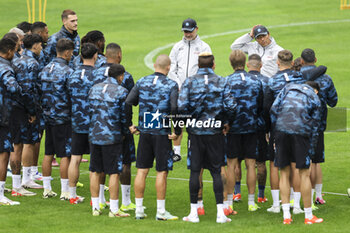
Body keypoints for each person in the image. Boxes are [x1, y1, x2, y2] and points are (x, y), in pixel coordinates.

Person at [178, 52, 236, 223]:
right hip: (215, 132)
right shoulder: (222, 81)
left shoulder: (189, 82)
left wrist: (191, 121)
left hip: (196, 134)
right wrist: (226, 122)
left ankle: (194, 213)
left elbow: (181, 107)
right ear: (214, 65)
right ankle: (220, 214)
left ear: (198, 64)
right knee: (217, 171)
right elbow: (231, 106)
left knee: (195, 172)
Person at [126, 54, 180, 221]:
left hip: (145, 133)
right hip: (161, 134)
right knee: (161, 172)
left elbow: (128, 102)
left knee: (142, 171)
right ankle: (161, 211)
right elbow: (174, 108)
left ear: (155, 65)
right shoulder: (171, 84)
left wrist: (130, 124)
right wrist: (176, 130)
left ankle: (139, 210)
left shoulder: (142, 81)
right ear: (168, 67)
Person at [169, 17, 212, 214]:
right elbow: (172, 68)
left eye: (190, 31)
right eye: (185, 31)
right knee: (177, 119)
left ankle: (191, 145)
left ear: (196, 29)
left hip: (196, 90)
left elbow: (207, 68)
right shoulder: (177, 47)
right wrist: (178, 83)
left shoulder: (204, 46)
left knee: (193, 122)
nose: (187, 34)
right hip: (179, 87)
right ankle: (176, 151)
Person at [270, 81, 323, 224]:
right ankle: (308, 216)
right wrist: (311, 150)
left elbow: (274, 110)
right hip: (301, 133)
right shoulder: (314, 97)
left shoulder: (287, 88)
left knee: (284, 173)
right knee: (304, 173)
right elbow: (316, 126)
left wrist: (276, 135)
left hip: (281, 130)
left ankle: (286, 216)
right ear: (315, 90)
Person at [94, 43, 136, 211]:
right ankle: (125, 202)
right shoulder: (125, 76)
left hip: (98, 126)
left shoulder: (95, 73)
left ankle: (101, 200)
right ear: (119, 55)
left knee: (100, 164)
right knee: (125, 162)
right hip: (119, 127)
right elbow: (131, 102)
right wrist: (127, 127)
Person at [88, 64, 130, 218]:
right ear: (121, 76)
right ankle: (114, 209)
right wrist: (125, 132)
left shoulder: (94, 88)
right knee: (113, 173)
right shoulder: (122, 91)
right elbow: (124, 117)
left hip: (94, 135)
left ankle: (95, 207)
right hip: (112, 137)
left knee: (95, 171)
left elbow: (88, 111)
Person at [225, 50, 263, 212]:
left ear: (231, 63)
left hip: (233, 129)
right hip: (251, 128)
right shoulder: (255, 81)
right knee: (251, 164)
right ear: (245, 62)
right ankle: (251, 202)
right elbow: (261, 104)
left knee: (231, 165)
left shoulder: (226, 81)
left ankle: (230, 202)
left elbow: (225, 106)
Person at [300, 48, 338, 206]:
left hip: (299, 124)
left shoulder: (296, 76)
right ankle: (318, 195)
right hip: (318, 125)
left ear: (301, 61)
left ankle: (299, 195)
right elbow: (333, 102)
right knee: (316, 162)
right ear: (315, 60)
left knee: (298, 162)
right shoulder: (326, 79)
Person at [40, 38, 75, 199]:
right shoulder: (67, 71)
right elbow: (72, 95)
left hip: (47, 116)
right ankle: (65, 191)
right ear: (67, 52)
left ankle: (47, 189)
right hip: (63, 118)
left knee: (49, 152)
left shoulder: (45, 69)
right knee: (65, 155)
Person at [11, 34, 43, 195]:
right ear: (35, 45)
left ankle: (21, 181)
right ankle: (22, 182)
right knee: (25, 144)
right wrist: (32, 111)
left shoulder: (15, 60)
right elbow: (29, 89)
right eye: (40, 45)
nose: (42, 48)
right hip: (25, 109)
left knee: (18, 144)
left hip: (14, 107)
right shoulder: (32, 63)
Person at [67, 42, 98, 204]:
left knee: (75, 158)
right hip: (94, 122)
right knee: (96, 160)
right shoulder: (98, 75)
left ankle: (72, 195)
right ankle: (97, 198)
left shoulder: (71, 74)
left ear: (80, 56)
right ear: (95, 56)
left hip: (77, 121)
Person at [0, 37, 23, 205]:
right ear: (8, 52)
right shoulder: (5, 67)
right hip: (3, 117)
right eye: (14, 51)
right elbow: (13, 87)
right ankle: (0, 195)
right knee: (3, 155)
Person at [246, 54, 269, 203]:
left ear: (248, 65)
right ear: (261, 66)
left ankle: (236, 193)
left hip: (241, 127)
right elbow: (268, 107)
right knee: (260, 162)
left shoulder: (238, 80)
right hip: (260, 127)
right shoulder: (267, 81)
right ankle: (260, 196)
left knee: (237, 162)